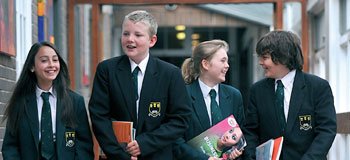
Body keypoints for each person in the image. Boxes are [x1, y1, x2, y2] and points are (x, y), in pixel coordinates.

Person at [88, 10, 191, 160]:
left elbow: (181, 119)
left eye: (138, 35)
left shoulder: (170, 74)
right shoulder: (106, 70)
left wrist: (144, 143)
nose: (130, 39)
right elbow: (99, 116)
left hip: (157, 155)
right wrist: (119, 154)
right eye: (126, 34)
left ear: (152, 40)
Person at [243, 30, 337, 160]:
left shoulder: (318, 87)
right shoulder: (257, 91)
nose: (260, 62)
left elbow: (326, 130)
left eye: (264, 57)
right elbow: (250, 132)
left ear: (282, 57)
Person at [2, 41, 94, 160]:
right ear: (32, 67)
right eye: (44, 60)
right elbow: (10, 147)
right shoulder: (21, 102)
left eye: (55, 60)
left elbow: (84, 146)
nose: (51, 65)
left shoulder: (75, 101)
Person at [173, 40, 245, 160]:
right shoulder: (182, 95)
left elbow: (242, 135)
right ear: (205, 64)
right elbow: (175, 140)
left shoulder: (234, 96)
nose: (227, 65)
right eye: (222, 61)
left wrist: (236, 152)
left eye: (227, 61)